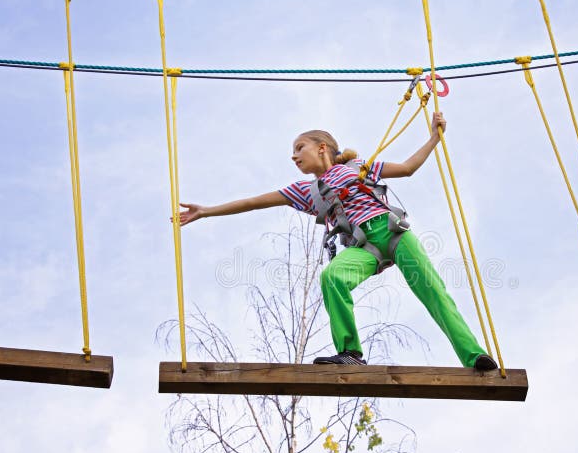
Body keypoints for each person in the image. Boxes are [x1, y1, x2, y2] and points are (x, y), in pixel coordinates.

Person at [176, 112, 497, 371]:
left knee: (434, 292)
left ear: (321, 147)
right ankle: (350, 352)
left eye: (299, 147)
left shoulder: (359, 167)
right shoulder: (305, 192)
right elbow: (253, 202)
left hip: (394, 234)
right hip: (365, 250)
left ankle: (474, 356)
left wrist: (434, 138)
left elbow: (409, 168)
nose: (293, 156)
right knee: (332, 277)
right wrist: (206, 211)